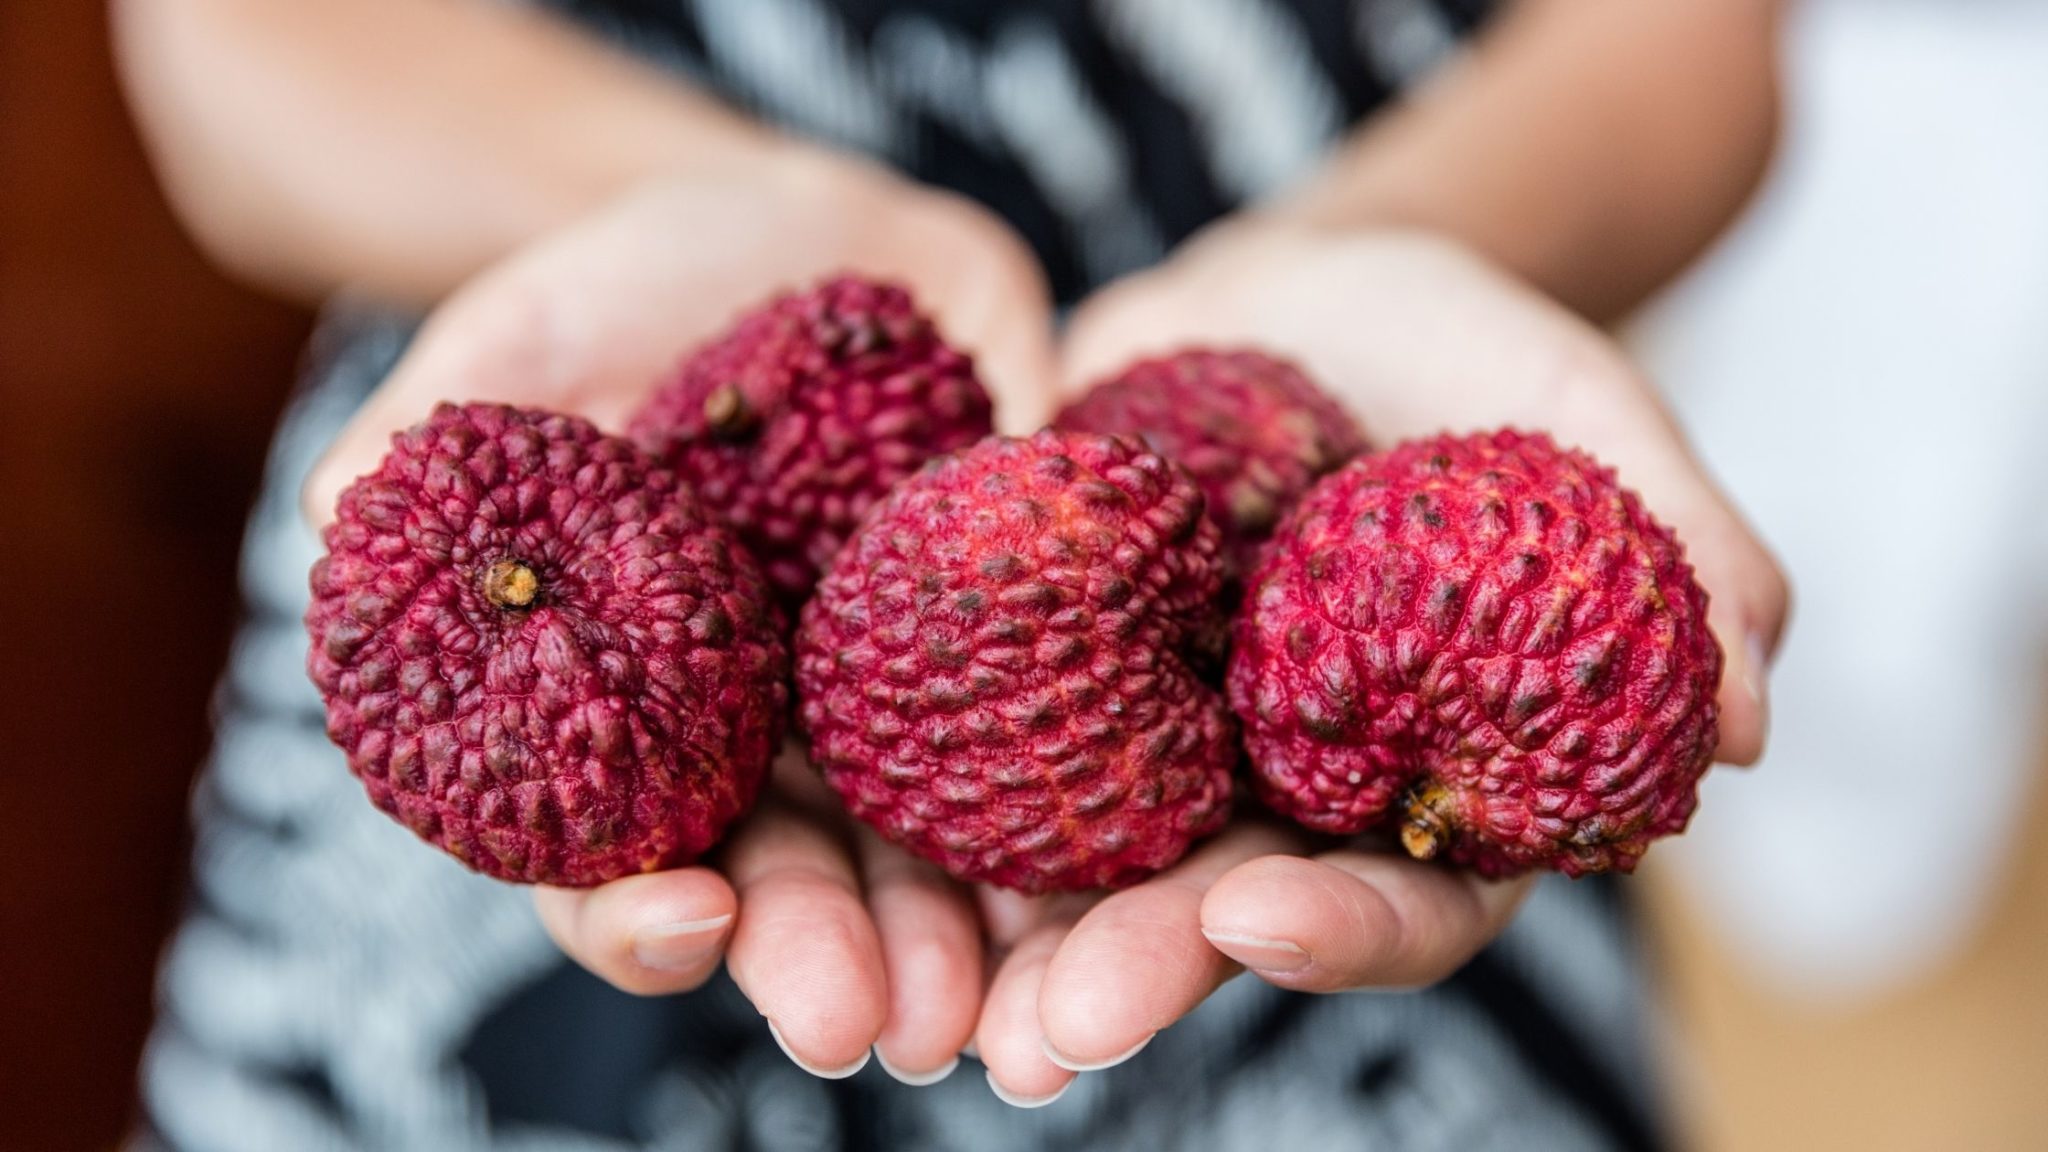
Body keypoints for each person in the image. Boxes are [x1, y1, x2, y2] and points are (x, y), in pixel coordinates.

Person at [118, 1, 1791, 1148]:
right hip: (589, 470)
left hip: (1363, 565)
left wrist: (1386, 242)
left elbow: (1690, 46)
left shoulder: (1313, 602)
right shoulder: (595, 557)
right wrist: (676, 191)